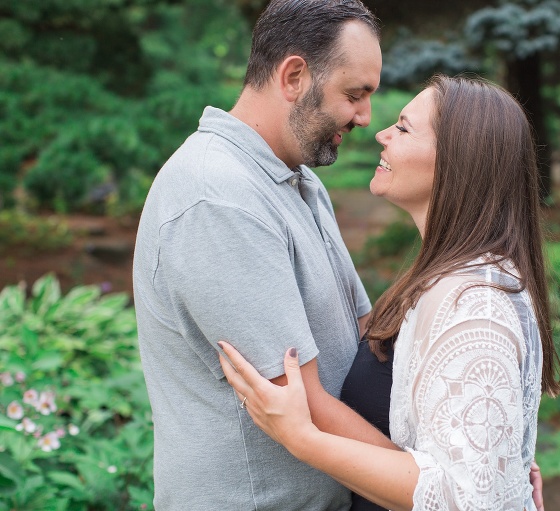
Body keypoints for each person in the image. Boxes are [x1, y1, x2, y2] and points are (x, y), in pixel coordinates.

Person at [218, 74, 560, 511]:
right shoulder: (449, 277)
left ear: (458, 160)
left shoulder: (477, 303)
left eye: (403, 128)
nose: (380, 133)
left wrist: (303, 439)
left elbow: (468, 499)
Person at [133, 1, 399, 509]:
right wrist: (430, 483)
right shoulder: (217, 196)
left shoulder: (297, 178)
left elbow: (366, 331)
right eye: (354, 94)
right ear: (295, 76)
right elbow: (302, 402)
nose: (365, 117)